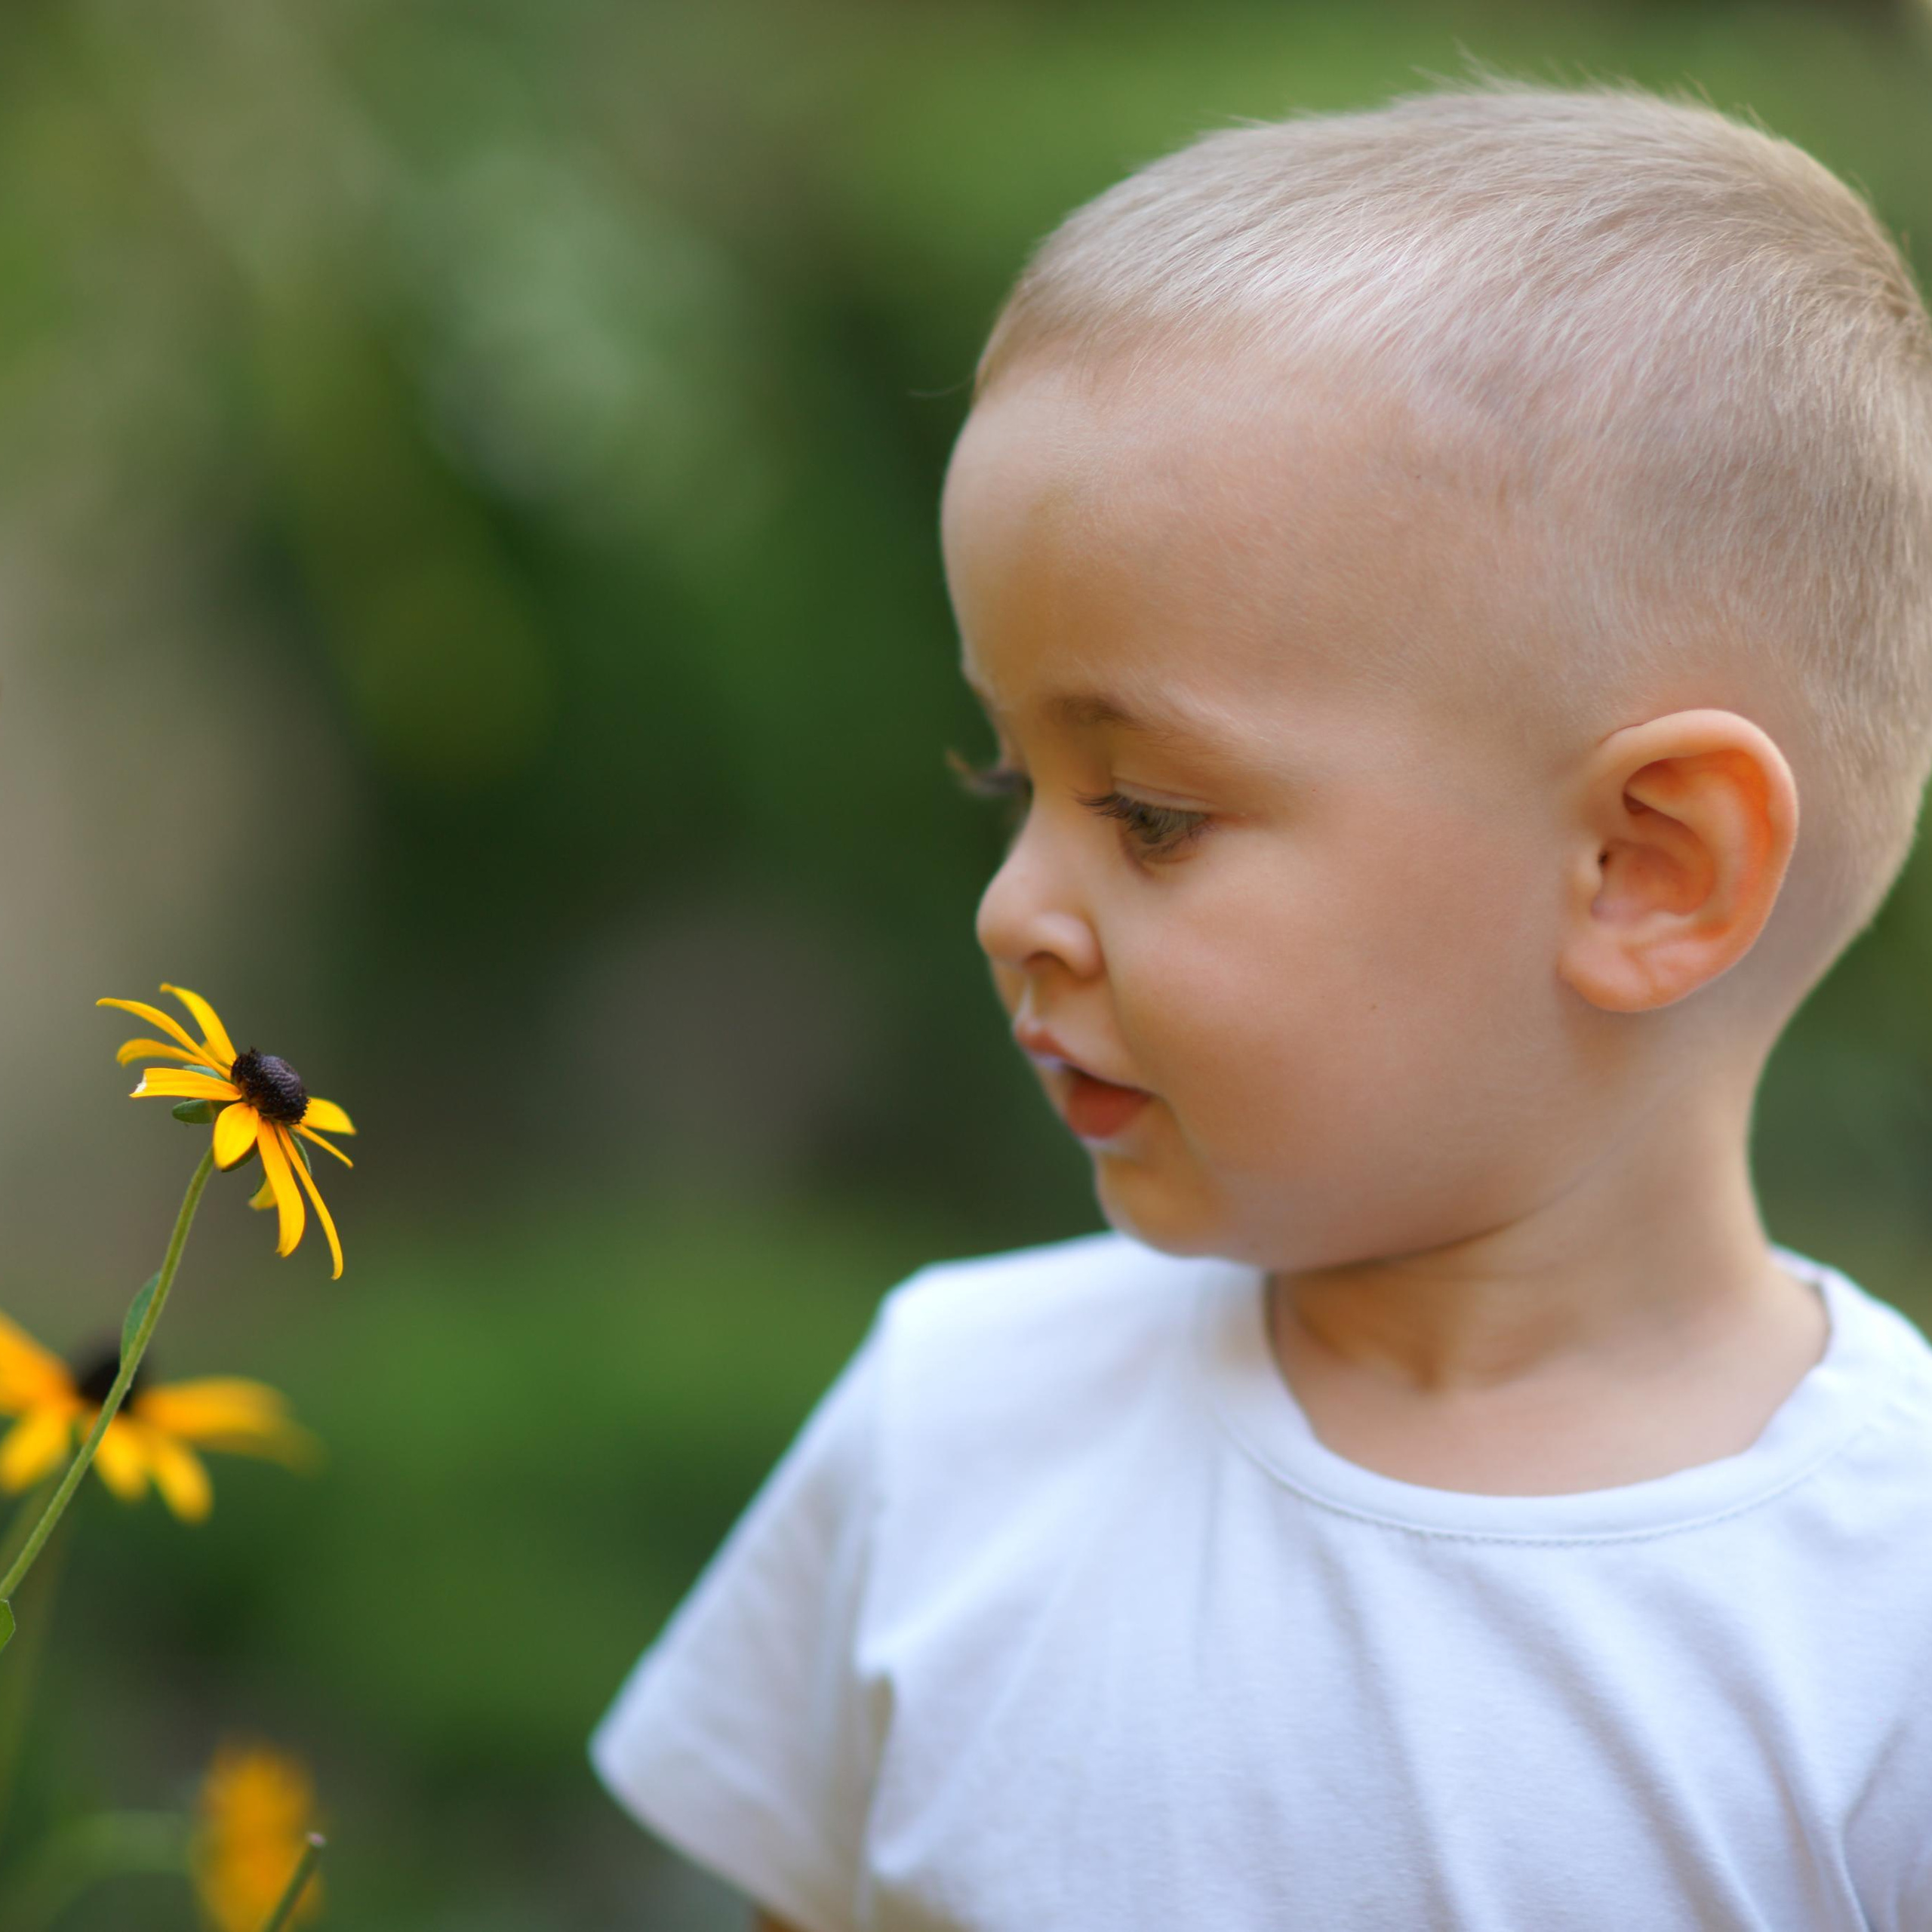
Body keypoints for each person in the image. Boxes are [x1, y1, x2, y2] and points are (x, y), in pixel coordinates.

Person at [590, 76, 1932, 1929]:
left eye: (1147, 813)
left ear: (1645, 866)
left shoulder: (1887, 1617)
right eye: (1011, 788)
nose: (1010, 910)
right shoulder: (947, 1428)